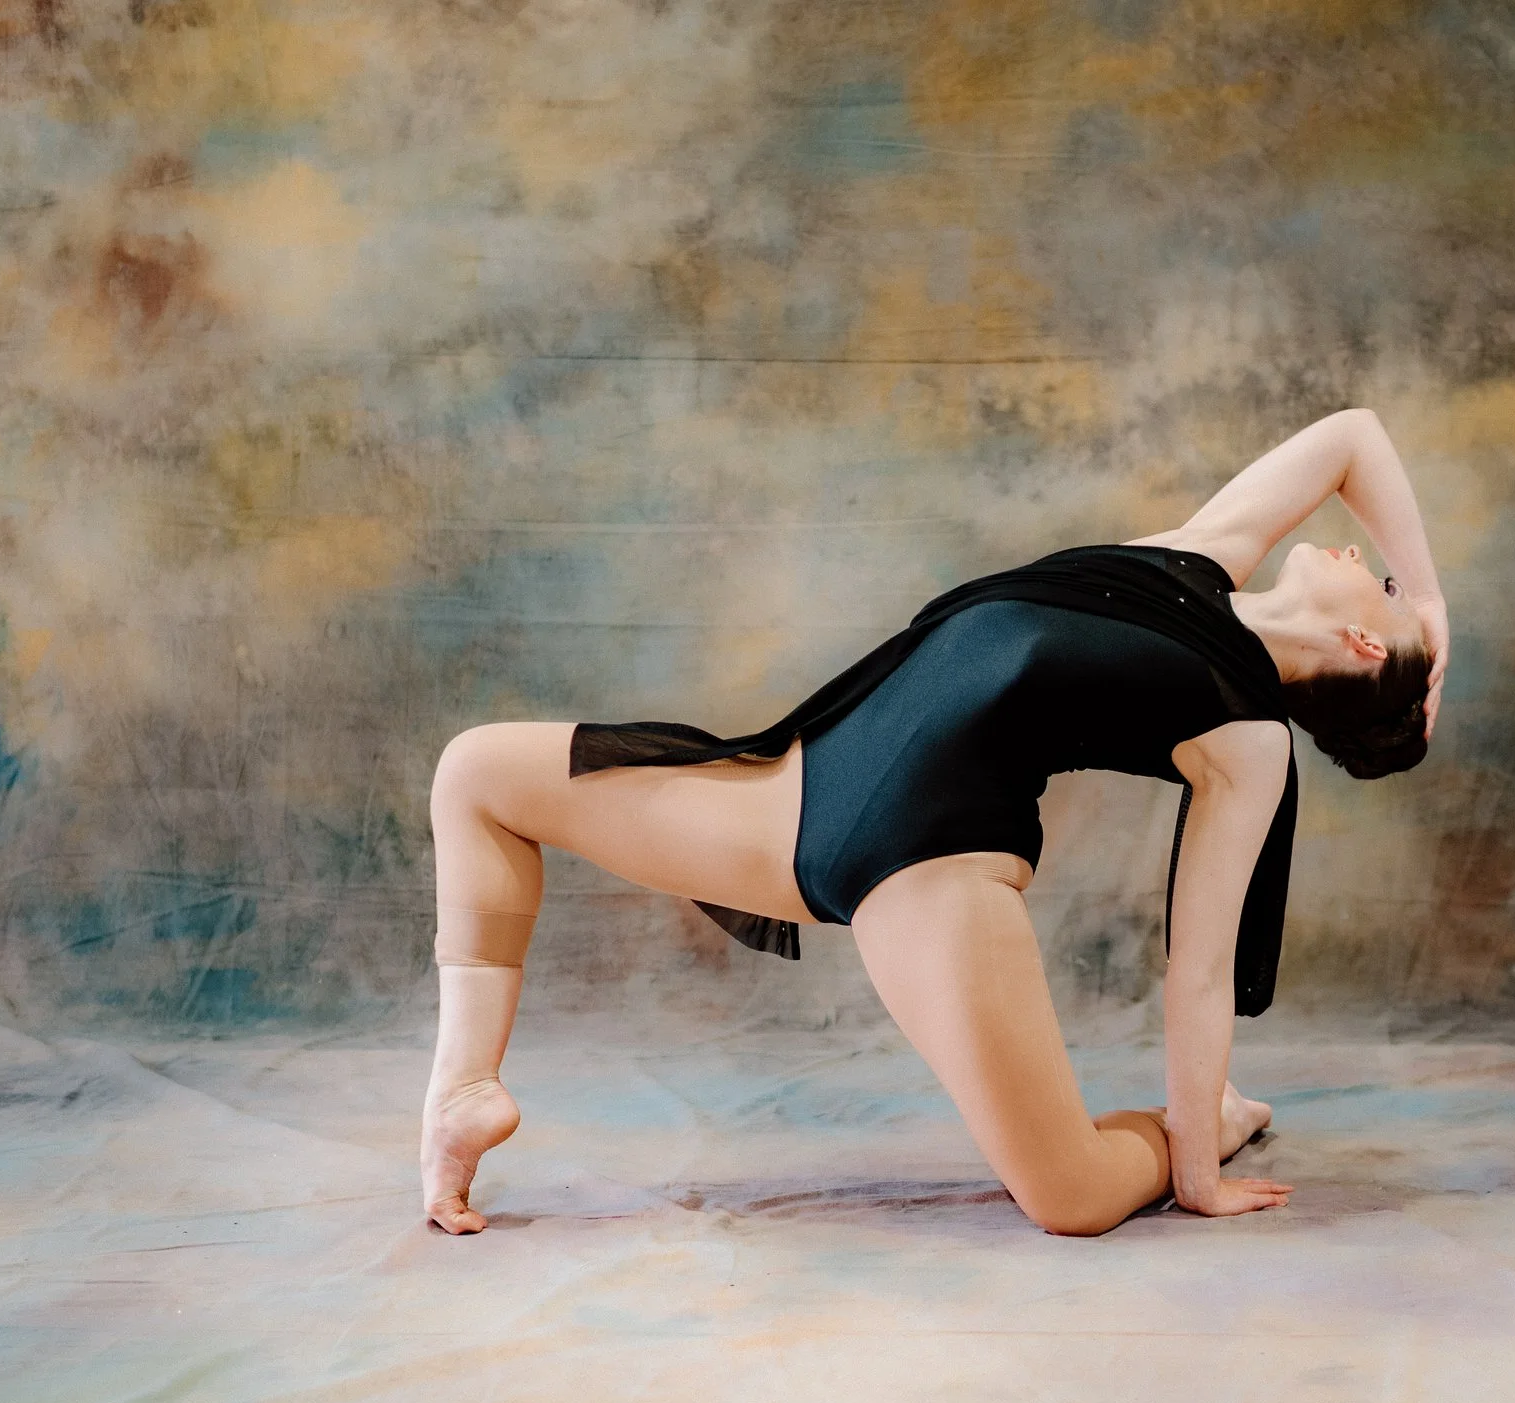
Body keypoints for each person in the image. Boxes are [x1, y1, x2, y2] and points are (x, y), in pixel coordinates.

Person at [421, 408, 1448, 1236]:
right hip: (789, 792)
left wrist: (1192, 1166)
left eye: (1387, 585)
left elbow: (1200, 965)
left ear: (1363, 638)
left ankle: (1205, 1126)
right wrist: (1434, 612)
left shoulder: (1247, 736)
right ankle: (462, 1089)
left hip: (933, 868)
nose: (1373, 558)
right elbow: (1352, 434)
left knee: (1075, 1199)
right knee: (476, 775)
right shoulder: (1194, 560)